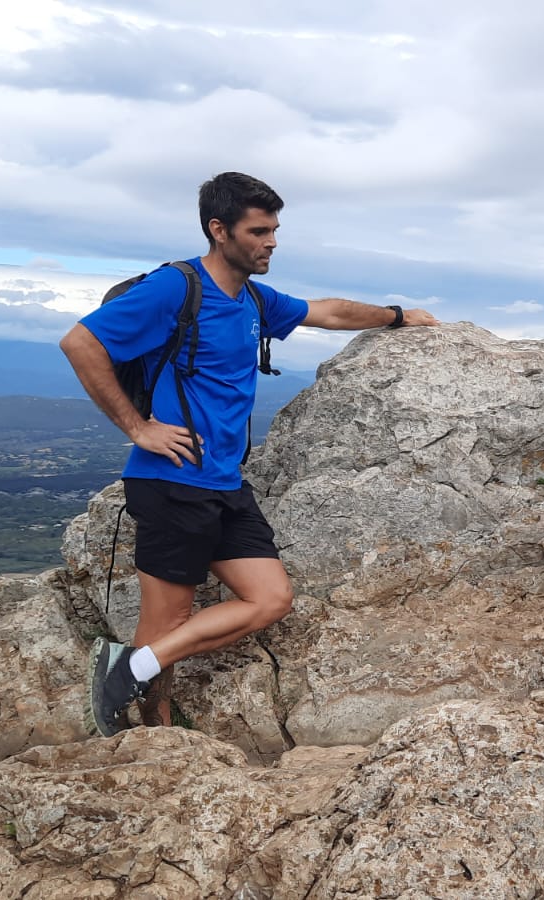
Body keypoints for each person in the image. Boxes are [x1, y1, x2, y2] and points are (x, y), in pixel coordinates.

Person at [60, 172, 438, 737]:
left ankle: (130, 672)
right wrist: (138, 428)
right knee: (168, 620)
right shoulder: (176, 288)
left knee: (270, 598)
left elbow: (327, 312)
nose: (272, 242)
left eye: (275, 229)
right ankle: (150, 735)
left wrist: (397, 315)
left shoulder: (254, 298)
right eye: (259, 230)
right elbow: (80, 342)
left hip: (225, 484)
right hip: (172, 481)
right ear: (219, 229)